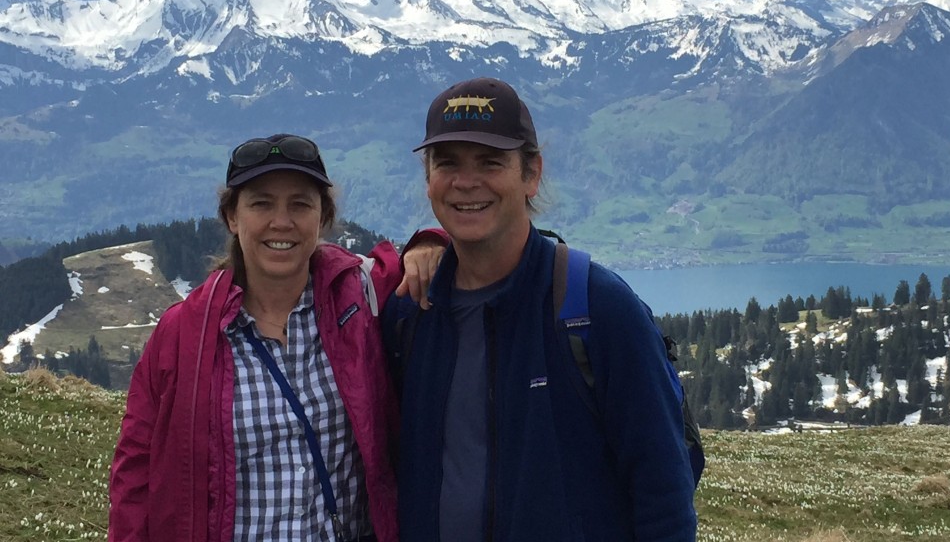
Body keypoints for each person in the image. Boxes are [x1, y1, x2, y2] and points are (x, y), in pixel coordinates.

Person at [383, 78, 698, 542]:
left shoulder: (596, 308)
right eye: (447, 163)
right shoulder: (410, 314)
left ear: (531, 174)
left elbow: (664, 497)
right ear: (428, 180)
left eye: (490, 162)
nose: (466, 182)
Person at [109, 133, 444, 542]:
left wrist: (432, 243)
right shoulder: (184, 334)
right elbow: (135, 471)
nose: (281, 222)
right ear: (233, 217)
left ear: (323, 217)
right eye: (261, 203)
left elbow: (417, 260)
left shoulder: (359, 300)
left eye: (300, 204)